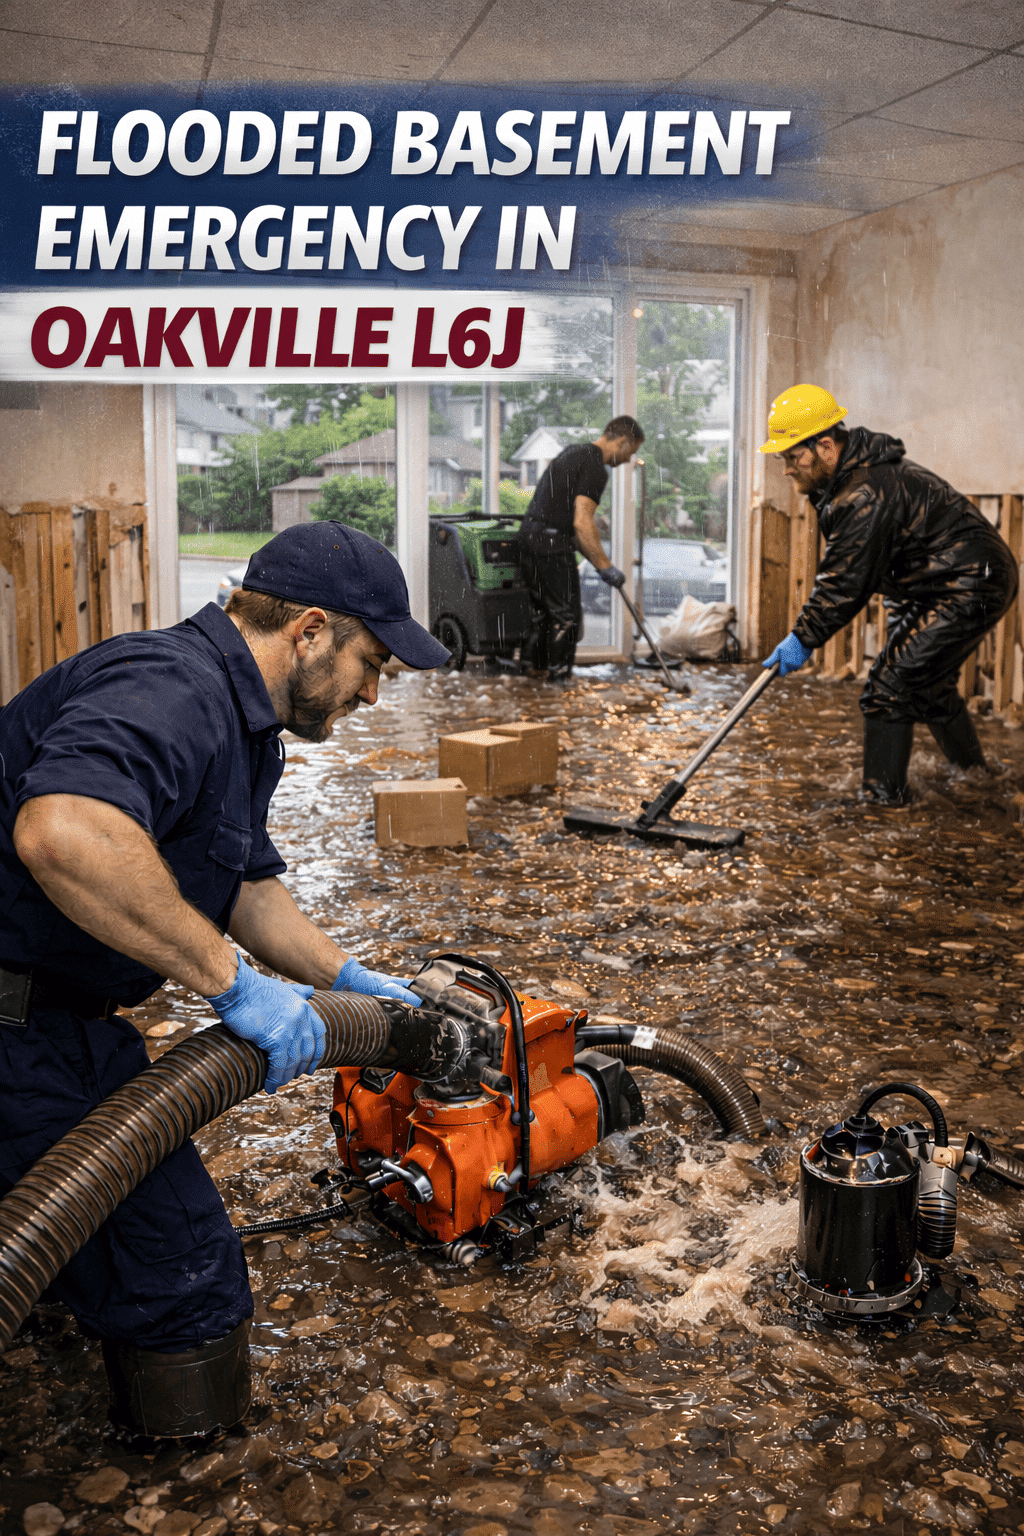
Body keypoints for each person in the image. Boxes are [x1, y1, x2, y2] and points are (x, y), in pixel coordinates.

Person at [0, 522, 450, 1437]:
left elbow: (241, 883)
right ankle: (185, 1475)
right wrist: (233, 986)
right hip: (15, 1024)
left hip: (60, 1012)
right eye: (372, 663)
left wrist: (351, 980)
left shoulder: (247, 724)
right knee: (184, 1278)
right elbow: (64, 832)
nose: (371, 692)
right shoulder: (173, 689)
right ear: (311, 630)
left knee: (78, 1247)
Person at [760, 385, 1019, 806]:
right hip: (935, 581)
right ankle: (977, 776)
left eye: (793, 457)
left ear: (826, 446)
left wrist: (803, 638)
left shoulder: (863, 491)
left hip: (971, 582)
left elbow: (845, 582)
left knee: (889, 688)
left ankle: (883, 804)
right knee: (927, 686)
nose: (787, 469)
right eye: (783, 459)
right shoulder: (851, 479)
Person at [514, 415, 645, 680]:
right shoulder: (596, 467)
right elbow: (583, 522)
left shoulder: (573, 452)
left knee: (542, 615)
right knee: (567, 618)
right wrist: (606, 566)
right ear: (621, 442)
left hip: (529, 539)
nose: (629, 459)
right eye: (631, 451)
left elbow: (570, 526)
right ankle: (558, 686)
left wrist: (599, 565)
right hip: (551, 545)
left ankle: (532, 677)